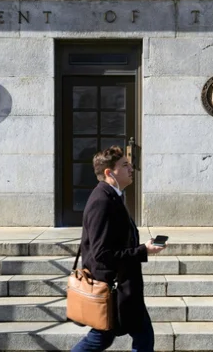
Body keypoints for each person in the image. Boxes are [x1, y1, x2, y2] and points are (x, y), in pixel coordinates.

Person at [71, 146, 166, 352]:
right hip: (112, 289)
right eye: (124, 165)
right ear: (109, 172)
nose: (131, 168)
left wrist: (142, 248)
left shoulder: (113, 196)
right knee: (114, 337)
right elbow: (102, 254)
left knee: (132, 337)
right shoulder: (102, 201)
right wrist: (143, 250)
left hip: (121, 287)